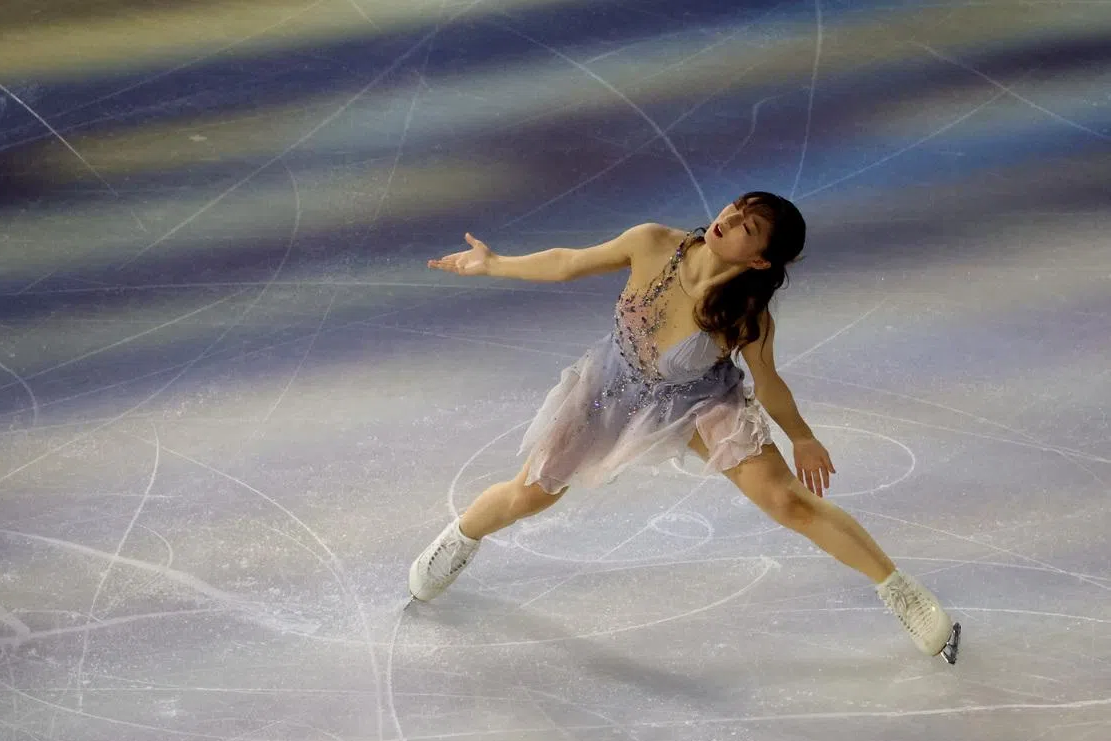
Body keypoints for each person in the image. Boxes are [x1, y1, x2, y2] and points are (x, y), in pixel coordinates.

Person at [407, 191, 960, 664]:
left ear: (763, 261)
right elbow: (568, 262)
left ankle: (900, 590)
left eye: (749, 227)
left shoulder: (746, 315)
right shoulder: (652, 243)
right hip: (613, 389)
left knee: (786, 501)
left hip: (698, 401)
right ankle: (459, 539)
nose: (730, 220)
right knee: (532, 494)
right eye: (737, 209)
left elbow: (767, 383)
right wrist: (494, 263)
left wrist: (802, 437)